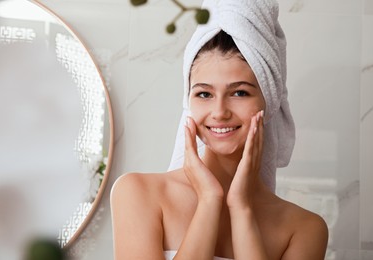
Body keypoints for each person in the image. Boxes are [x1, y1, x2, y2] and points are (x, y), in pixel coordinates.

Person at [111, 0, 328, 259]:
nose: (220, 112)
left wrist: (241, 207)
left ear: (268, 100)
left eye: (239, 92)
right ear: (188, 102)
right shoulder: (138, 193)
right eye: (204, 93)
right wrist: (209, 201)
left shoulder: (303, 229)